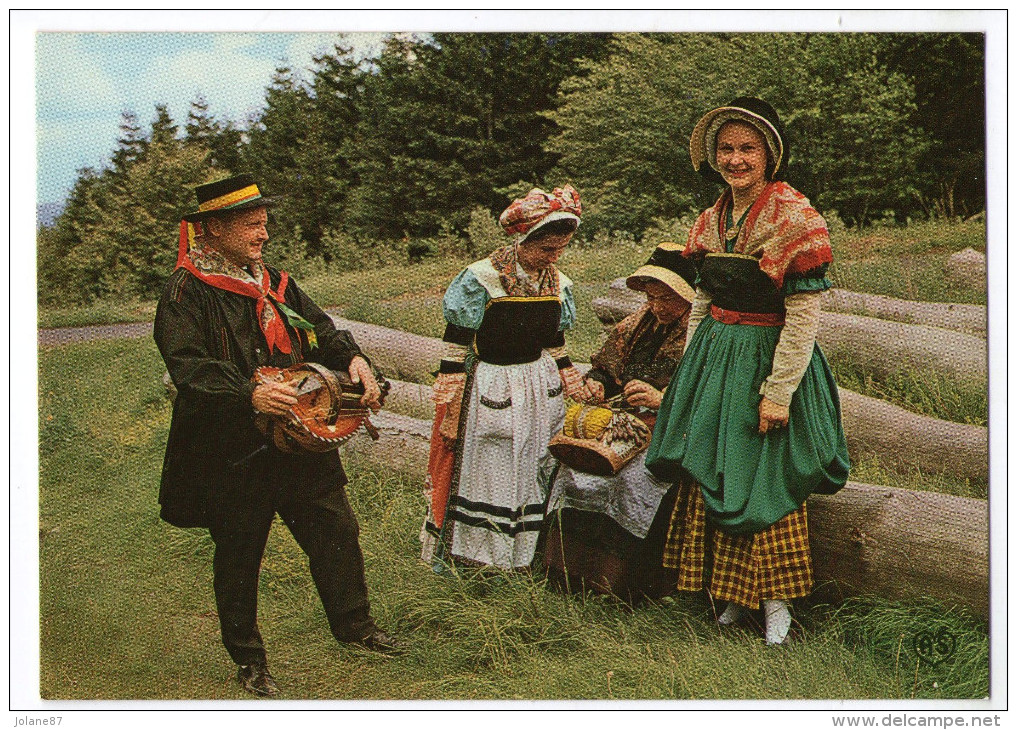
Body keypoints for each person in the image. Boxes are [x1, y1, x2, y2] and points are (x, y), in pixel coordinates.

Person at [154, 174, 401, 698]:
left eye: (265, 223)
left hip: (300, 437)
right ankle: (248, 659)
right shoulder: (186, 289)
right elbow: (187, 365)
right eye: (251, 224)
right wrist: (248, 392)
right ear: (215, 228)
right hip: (234, 448)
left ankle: (355, 628)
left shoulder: (277, 283)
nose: (263, 234)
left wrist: (355, 359)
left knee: (335, 530)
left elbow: (324, 331)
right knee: (241, 551)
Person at [644, 98, 850, 644]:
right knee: (713, 468)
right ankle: (731, 596)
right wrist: (692, 366)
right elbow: (701, 298)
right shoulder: (709, 219)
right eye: (726, 149)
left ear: (769, 155)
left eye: (747, 149)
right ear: (714, 157)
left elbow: (804, 313)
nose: (736, 159)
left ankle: (778, 606)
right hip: (716, 357)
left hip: (768, 358)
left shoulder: (795, 215)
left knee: (764, 479)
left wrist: (779, 392)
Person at [420, 185, 592, 570]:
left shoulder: (556, 283)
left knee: (532, 465)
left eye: (561, 249)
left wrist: (573, 382)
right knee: (491, 468)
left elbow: (556, 342)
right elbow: (454, 350)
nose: (554, 258)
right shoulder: (481, 279)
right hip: (491, 384)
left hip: (536, 386)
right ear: (523, 240)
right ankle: (478, 558)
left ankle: (522, 557)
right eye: (547, 249)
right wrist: (450, 411)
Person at [544, 243, 698, 601]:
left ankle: (626, 585)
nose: (657, 306)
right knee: (576, 470)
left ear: (687, 296)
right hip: (625, 423)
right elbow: (606, 367)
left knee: (633, 479)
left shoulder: (701, 334)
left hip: (674, 428)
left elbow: (710, 394)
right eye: (651, 297)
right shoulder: (636, 324)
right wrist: (597, 383)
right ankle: (570, 577)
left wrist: (663, 400)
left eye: (667, 299)